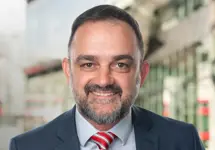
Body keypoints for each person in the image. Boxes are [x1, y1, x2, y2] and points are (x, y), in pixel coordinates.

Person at [10, 4, 205, 150]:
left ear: (142, 73)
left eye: (120, 65)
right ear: (68, 71)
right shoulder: (27, 147)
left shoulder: (183, 141)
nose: (104, 81)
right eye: (88, 64)